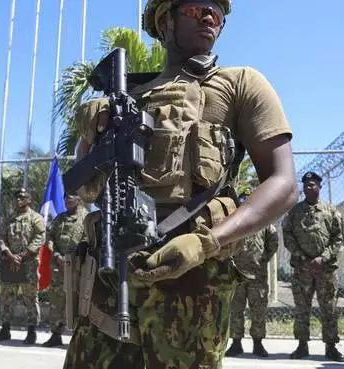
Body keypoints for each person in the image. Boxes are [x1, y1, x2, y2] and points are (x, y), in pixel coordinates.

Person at [63, 0, 298, 367]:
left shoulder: (240, 82)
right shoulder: (128, 98)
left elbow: (283, 183)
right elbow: (86, 189)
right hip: (112, 271)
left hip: (192, 274)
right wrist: (89, 133)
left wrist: (207, 242)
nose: (208, 18)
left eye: (216, 15)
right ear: (165, 19)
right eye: (195, 10)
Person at [282, 172, 344, 362]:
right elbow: (288, 236)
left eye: (312, 184)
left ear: (319, 186)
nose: (309, 187)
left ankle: (331, 346)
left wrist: (323, 257)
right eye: (306, 185)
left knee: (329, 308)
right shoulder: (294, 212)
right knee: (302, 308)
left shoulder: (331, 211)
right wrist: (303, 256)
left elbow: (338, 238)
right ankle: (302, 345)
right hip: (303, 268)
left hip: (325, 269)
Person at [0, 188, 45, 345]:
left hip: (28, 264)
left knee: (30, 298)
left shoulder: (36, 218)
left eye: (22, 197)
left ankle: (31, 332)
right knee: (7, 297)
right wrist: (8, 253)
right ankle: (5, 329)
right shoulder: (9, 219)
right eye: (16, 197)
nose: (18, 199)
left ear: (29, 199)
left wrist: (21, 256)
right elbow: (1, 238)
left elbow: (40, 238)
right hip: (10, 263)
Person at [225, 220, 278, 358]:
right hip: (237, 274)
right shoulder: (235, 221)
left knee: (258, 311)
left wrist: (263, 258)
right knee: (236, 310)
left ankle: (258, 343)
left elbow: (273, 242)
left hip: (258, 275)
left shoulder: (264, 222)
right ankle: (236, 343)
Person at [42, 193, 87, 348]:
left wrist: (74, 258)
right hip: (58, 266)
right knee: (56, 301)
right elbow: (50, 237)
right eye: (66, 198)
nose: (68, 200)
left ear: (79, 199)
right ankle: (56, 334)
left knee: (78, 302)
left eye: (72, 197)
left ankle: (78, 337)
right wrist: (56, 255)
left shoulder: (87, 218)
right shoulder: (59, 218)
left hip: (78, 267)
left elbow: (90, 241)